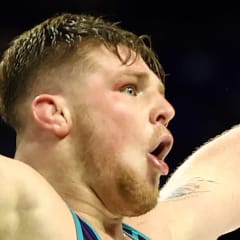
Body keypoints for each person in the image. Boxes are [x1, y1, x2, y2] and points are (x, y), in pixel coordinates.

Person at [0, 12, 239, 240]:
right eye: (130, 89)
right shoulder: (24, 203)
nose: (167, 110)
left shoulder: (158, 230)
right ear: (55, 113)